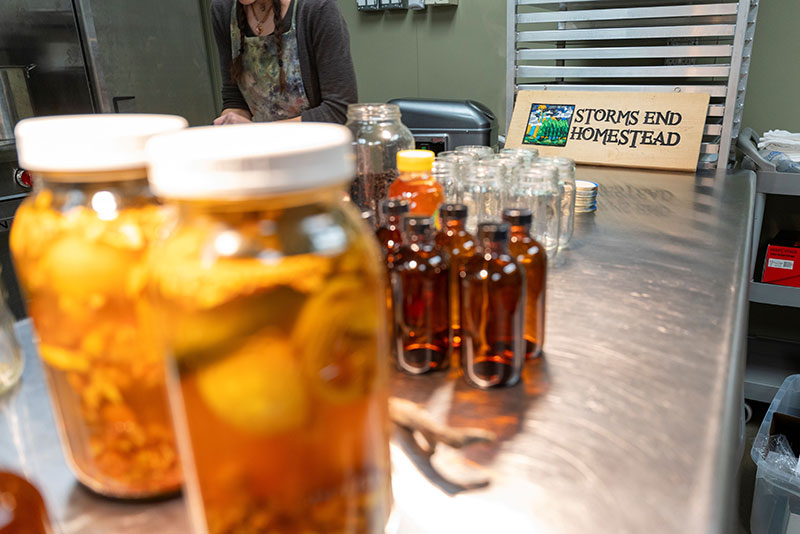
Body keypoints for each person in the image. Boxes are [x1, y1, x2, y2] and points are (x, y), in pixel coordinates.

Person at [211, 0, 357, 125]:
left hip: (320, 149)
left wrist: (258, 133)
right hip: (263, 148)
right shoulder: (224, 9)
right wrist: (230, 123)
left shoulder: (317, 8)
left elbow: (339, 110)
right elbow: (235, 98)